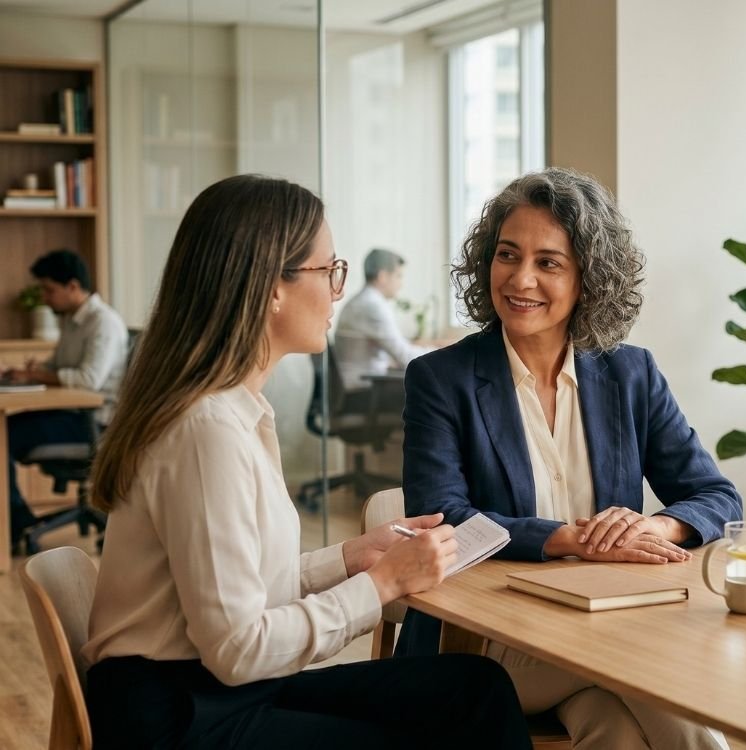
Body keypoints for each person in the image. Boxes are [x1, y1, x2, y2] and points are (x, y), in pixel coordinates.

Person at [80, 174, 530, 749]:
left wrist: (349, 559)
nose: (337, 290)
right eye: (329, 270)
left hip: (208, 686)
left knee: (475, 689)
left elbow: (239, 591)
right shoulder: (206, 431)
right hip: (182, 716)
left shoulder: (232, 414)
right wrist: (382, 584)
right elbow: (238, 649)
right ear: (272, 287)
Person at [397, 167, 742, 749]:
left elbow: (716, 496)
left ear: (589, 278)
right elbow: (441, 516)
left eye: (548, 262)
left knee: (615, 731)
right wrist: (569, 538)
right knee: (648, 668)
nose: (521, 278)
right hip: (485, 641)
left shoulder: (631, 374)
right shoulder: (440, 378)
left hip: (603, 625)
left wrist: (651, 524)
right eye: (507, 255)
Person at [4, 249, 127, 549]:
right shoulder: (72, 321)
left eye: (50, 290)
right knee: (5, 430)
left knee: (4, 435)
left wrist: (38, 377)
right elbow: (58, 367)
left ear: (73, 286)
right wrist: (27, 372)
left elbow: (88, 380)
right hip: (70, 415)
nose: (45, 298)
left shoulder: (103, 323)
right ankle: (15, 518)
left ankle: (17, 521)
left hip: (94, 425)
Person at [334, 248, 427, 411]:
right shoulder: (371, 305)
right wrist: (448, 352)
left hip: (356, 391)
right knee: (432, 393)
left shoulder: (362, 301)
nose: (401, 284)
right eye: (398, 276)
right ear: (383, 276)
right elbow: (406, 357)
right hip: (362, 396)